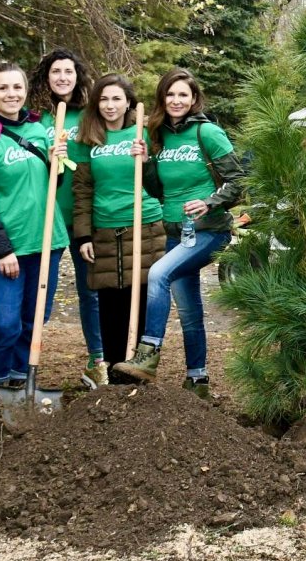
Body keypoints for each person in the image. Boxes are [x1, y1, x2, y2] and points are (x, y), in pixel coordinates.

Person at [111, 68, 242, 396]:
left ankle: (147, 356)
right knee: (188, 309)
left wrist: (210, 202)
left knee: (157, 275)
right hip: (175, 232)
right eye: (170, 94)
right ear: (162, 99)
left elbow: (239, 181)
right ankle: (197, 379)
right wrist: (145, 163)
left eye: (183, 94)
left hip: (208, 230)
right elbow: (156, 190)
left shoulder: (208, 133)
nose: (176, 100)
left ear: (194, 98)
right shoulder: (158, 135)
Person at [0, 61, 69, 428]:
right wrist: (2, 249)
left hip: (47, 242)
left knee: (32, 321)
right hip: (6, 249)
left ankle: (20, 385)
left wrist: (58, 162)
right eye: (3, 88)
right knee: (5, 324)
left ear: (25, 90)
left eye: (17, 87)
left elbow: (53, 188)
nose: (12, 94)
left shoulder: (40, 130)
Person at [71, 74, 165, 385]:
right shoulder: (89, 139)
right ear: (96, 104)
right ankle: (113, 370)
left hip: (145, 227)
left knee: (141, 299)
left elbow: (160, 179)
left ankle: (138, 372)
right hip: (104, 230)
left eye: (116, 99)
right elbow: (82, 190)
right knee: (110, 304)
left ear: (128, 102)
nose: (110, 105)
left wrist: (148, 158)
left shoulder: (145, 133)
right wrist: (83, 234)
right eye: (104, 99)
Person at [29, 48, 105, 386]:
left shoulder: (90, 116)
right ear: (46, 77)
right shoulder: (34, 119)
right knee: (40, 292)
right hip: (46, 217)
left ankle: (97, 359)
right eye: (56, 71)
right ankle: (22, 366)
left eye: (68, 72)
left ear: (78, 77)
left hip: (83, 217)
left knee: (91, 291)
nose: (62, 77)